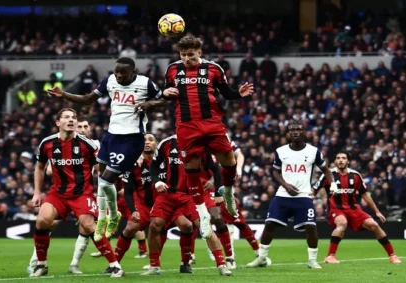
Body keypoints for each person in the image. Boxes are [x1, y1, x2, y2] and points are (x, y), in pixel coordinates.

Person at [47, 57, 163, 241]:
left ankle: (114, 214)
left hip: (131, 138)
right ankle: (103, 217)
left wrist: (149, 104)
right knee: (101, 180)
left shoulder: (145, 83)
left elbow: (164, 99)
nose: (118, 75)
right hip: (111, 136)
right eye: (116, 71)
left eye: (123, 73)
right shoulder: (110, 80)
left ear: (133, 71)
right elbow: (87, 100)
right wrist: (64, 94)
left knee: (107, 181)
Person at [162, 35, 254, 238]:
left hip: (211, 122)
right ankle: (203, 214)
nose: (187, 58)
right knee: (192, 170)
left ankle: (228, 191)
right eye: (183, 55)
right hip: (186, 126)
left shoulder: (214, 69)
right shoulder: (172, 70)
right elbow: (165, 92)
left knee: (229, 161)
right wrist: (165, 92)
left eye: (191, 54)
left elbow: (226, 92)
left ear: (199, 52)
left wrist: (239, 93)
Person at [30, 108, 123, 277]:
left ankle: (115, 265)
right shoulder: (47, 143)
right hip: (58, 193)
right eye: (66, 117)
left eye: (73, 117)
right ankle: (41, 265)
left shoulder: (88, 144)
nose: (71, 120)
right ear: (58, 122)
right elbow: (40, 168)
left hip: (82, 194)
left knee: (89, 226)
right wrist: (36, 192)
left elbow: (100, 169)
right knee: (42, 220)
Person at [247, 119, 337, 269]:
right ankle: (261, 258)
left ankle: (312, 260)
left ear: (303, 131)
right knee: (269, 224)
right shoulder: (281, 151)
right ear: (289, 132)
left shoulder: (313, 151)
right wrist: (285, 185)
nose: (295, 132)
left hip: (303, 195)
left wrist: (333, 183)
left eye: (298, 129)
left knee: (311, 226)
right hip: (283, 195)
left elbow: (326, 169)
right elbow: (275, 171)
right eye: (292, 129)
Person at [141, 134, 232, 276]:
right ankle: (154, 265)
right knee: (154, 225)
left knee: (204, 226)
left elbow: (215, 168)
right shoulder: (166, 143)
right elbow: (154, 165)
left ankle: (221, 264)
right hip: (168, 194)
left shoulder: (201, 144)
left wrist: (219, 193)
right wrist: (157, 181)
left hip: (191, 195)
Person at [27, 116, 99, 274]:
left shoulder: (94, 145)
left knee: (86, 227)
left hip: (85, 192)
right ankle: (35, 261)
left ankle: (74, 264)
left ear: (89, 129)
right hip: (63, 192)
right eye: (79, 126)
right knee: (47, 223)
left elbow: (103, 169)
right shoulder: (58, 143)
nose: (82, 129)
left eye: (85, 126)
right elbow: (47, 170)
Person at [314, 151, 401, 264]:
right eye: (338, 158)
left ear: (348, 161)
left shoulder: (355, 175)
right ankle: (330, 256)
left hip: (353, 209)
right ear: (335, 161)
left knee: (374, 225)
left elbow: (364, 194)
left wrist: (377, 212)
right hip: (336, 209)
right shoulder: (328, 174)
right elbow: (314, 189)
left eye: (343, 158)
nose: (340, 160)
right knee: (342, 223)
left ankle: (392, 255)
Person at [103, 134, 157, 270]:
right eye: (144, 140)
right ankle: (115, 263)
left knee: (184, 224)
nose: (147, 143)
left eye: (151, 140)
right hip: (143, 203)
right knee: (130, 228)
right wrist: (133, 210)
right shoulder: (133, 164)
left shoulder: (163, 161)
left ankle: (186, 260)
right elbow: (128, 191)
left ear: (157, 144)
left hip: (164, 202)